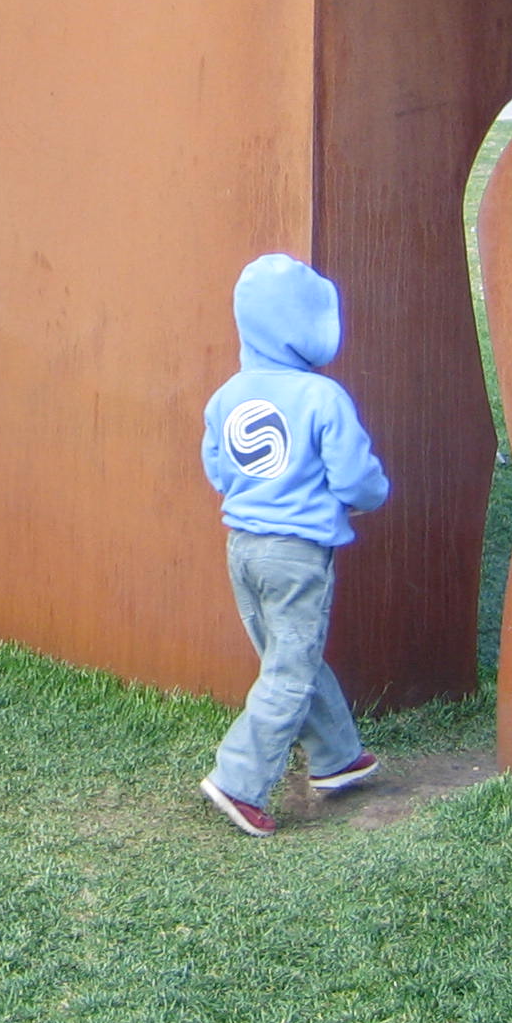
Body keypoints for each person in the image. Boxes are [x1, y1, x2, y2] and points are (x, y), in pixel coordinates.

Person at [196, 252, 389, 836]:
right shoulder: (322, 397)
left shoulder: (227, 396)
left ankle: (337, 756)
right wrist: (368, 497)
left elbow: (218, 469)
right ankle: (238, 779)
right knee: (290, 669)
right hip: (298, 554)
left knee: (289, 655)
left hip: (243, 548)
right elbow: (356, 477)